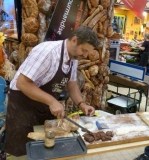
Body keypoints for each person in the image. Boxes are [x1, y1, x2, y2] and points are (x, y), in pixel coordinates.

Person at [3, 26, 99, 156]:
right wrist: (52, 101)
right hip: (23, 107)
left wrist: (81, 104)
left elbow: (71, 84)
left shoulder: (73, 57)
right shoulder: (47, 52)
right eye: (84, 50)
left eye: (87, 52)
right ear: (74, 40)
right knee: (23, 152)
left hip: (44, 108)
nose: (85, 55)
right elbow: (22, 83)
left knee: (46, 150)